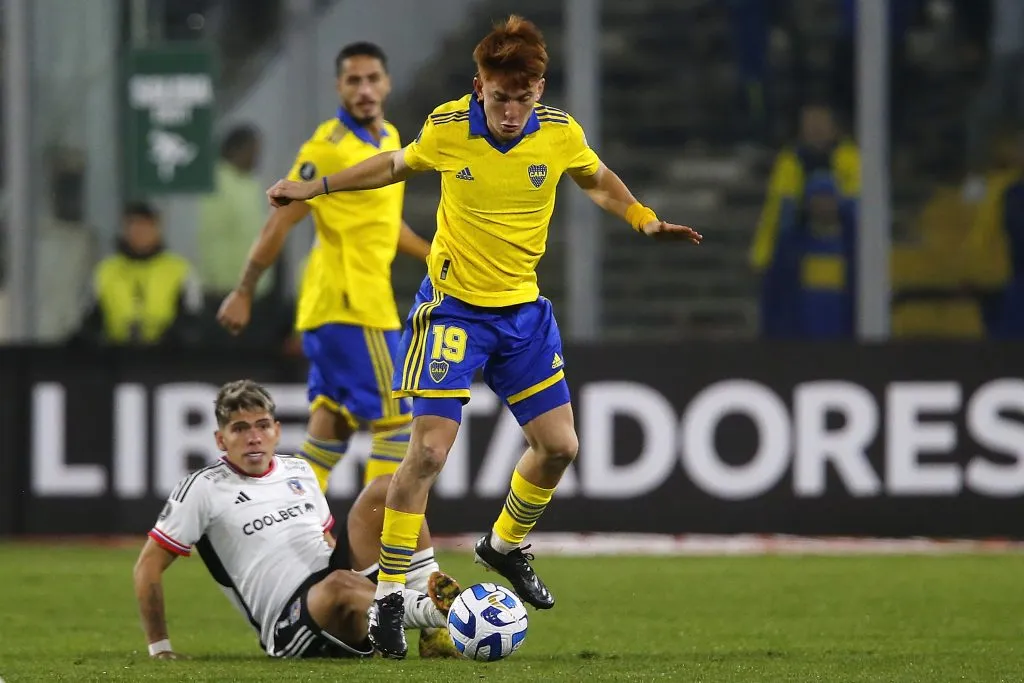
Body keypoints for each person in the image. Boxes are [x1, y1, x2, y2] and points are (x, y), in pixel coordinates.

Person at [266, 15, 701, 659]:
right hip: (453, 315)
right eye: (499, 97)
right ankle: (389, 595)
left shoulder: (558, 133)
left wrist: (641, 218)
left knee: (559, 448)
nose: (510, 109)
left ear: (539, 90)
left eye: (523, 98)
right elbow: (390, 165)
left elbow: (596, 178)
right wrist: (316, 187)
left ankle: (503, 545)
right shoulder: (448, 127)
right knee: (429, 455)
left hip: (522, 316)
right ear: (480, 88)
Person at [215, 42, 451, 657]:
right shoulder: (325, 149)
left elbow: (383, 224)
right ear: (339, 87)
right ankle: (386, 577)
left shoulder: (392, 136)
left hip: (344, 309)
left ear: (388, 82)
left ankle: (270, 537)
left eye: (373, 77)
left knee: (328, 434)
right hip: (353, 310)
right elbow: (281, 220)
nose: (365, 88)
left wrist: (435, 256)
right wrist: (244, 288)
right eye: (353, 80)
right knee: (402, 425)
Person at [132, 379, 460, 660]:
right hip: (290, 622)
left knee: (386, 488)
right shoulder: (202, 488)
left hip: (336, 585)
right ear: (221, 440)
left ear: (276, 430)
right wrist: (159, 647)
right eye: (240, 429)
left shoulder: (298, 471)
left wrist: (364, 580)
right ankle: (442, 614)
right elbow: (147, 566)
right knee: (339, 585)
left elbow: (328, 541)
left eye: (262, 425)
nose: (253, 437)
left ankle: (430, 628)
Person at [74, 201, 202, 347]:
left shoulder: (180, 270)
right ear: (125, 229)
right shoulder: (105, 270)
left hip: (167, 359)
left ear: (157, 229)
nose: (140, 233)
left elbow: (192, 318)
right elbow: (89, 321)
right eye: (135, 225)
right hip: (115, 358)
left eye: (147, 226)